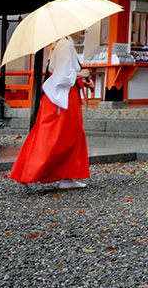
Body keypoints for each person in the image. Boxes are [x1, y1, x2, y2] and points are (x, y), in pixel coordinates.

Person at [9, 33, 91, 190]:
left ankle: (57, 175)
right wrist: (81, 74)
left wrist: (81, 80)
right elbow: (62, 76)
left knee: (58, 136)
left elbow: (62, 73)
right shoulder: (65, 44)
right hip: (63, 99)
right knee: (57, 137)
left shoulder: (65, 42)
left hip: (62, 96)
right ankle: (32, 172)